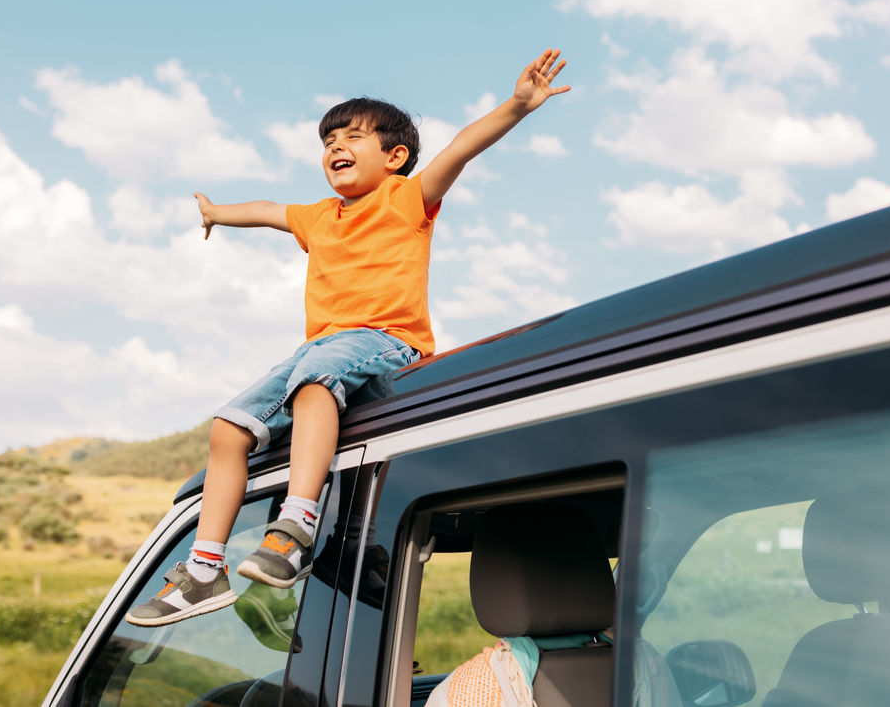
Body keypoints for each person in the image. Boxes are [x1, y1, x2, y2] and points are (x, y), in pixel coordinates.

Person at [126, 49, 570, 627]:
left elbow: (461, 147)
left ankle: (296, 527)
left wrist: (516, 105)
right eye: (329, 140)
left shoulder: (405, 199)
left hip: (385, 338)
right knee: (229, 428)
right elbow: (267, 209)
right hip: (319, 348)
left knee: (316, 384)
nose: (335, 146)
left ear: (396, 157)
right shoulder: (320, 216)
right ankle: (205, 569)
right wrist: (217, 212)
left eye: (352, 137)